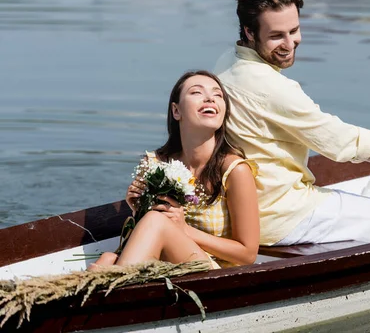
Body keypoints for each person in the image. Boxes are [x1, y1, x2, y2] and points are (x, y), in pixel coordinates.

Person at [213, 0, 370, 247]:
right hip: (279, 215)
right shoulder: (274, 88)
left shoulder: (227, 61)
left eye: (295, 30)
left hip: (240, 211)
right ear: (249, 32)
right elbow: (341, 141)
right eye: (277, 35)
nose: (290, 43)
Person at [91, 70, 259, 270]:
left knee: (155, 222)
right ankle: (113, 284)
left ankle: (110, 287)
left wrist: (184, 229)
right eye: (197, 92)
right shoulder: (155, 164)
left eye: (218, 95)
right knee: (108, 258)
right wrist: (138, 209)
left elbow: (247, 254)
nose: (210, 98)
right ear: (176, 111)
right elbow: (147, 238)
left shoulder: (234, 171)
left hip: (211, 273)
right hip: (164, 265)